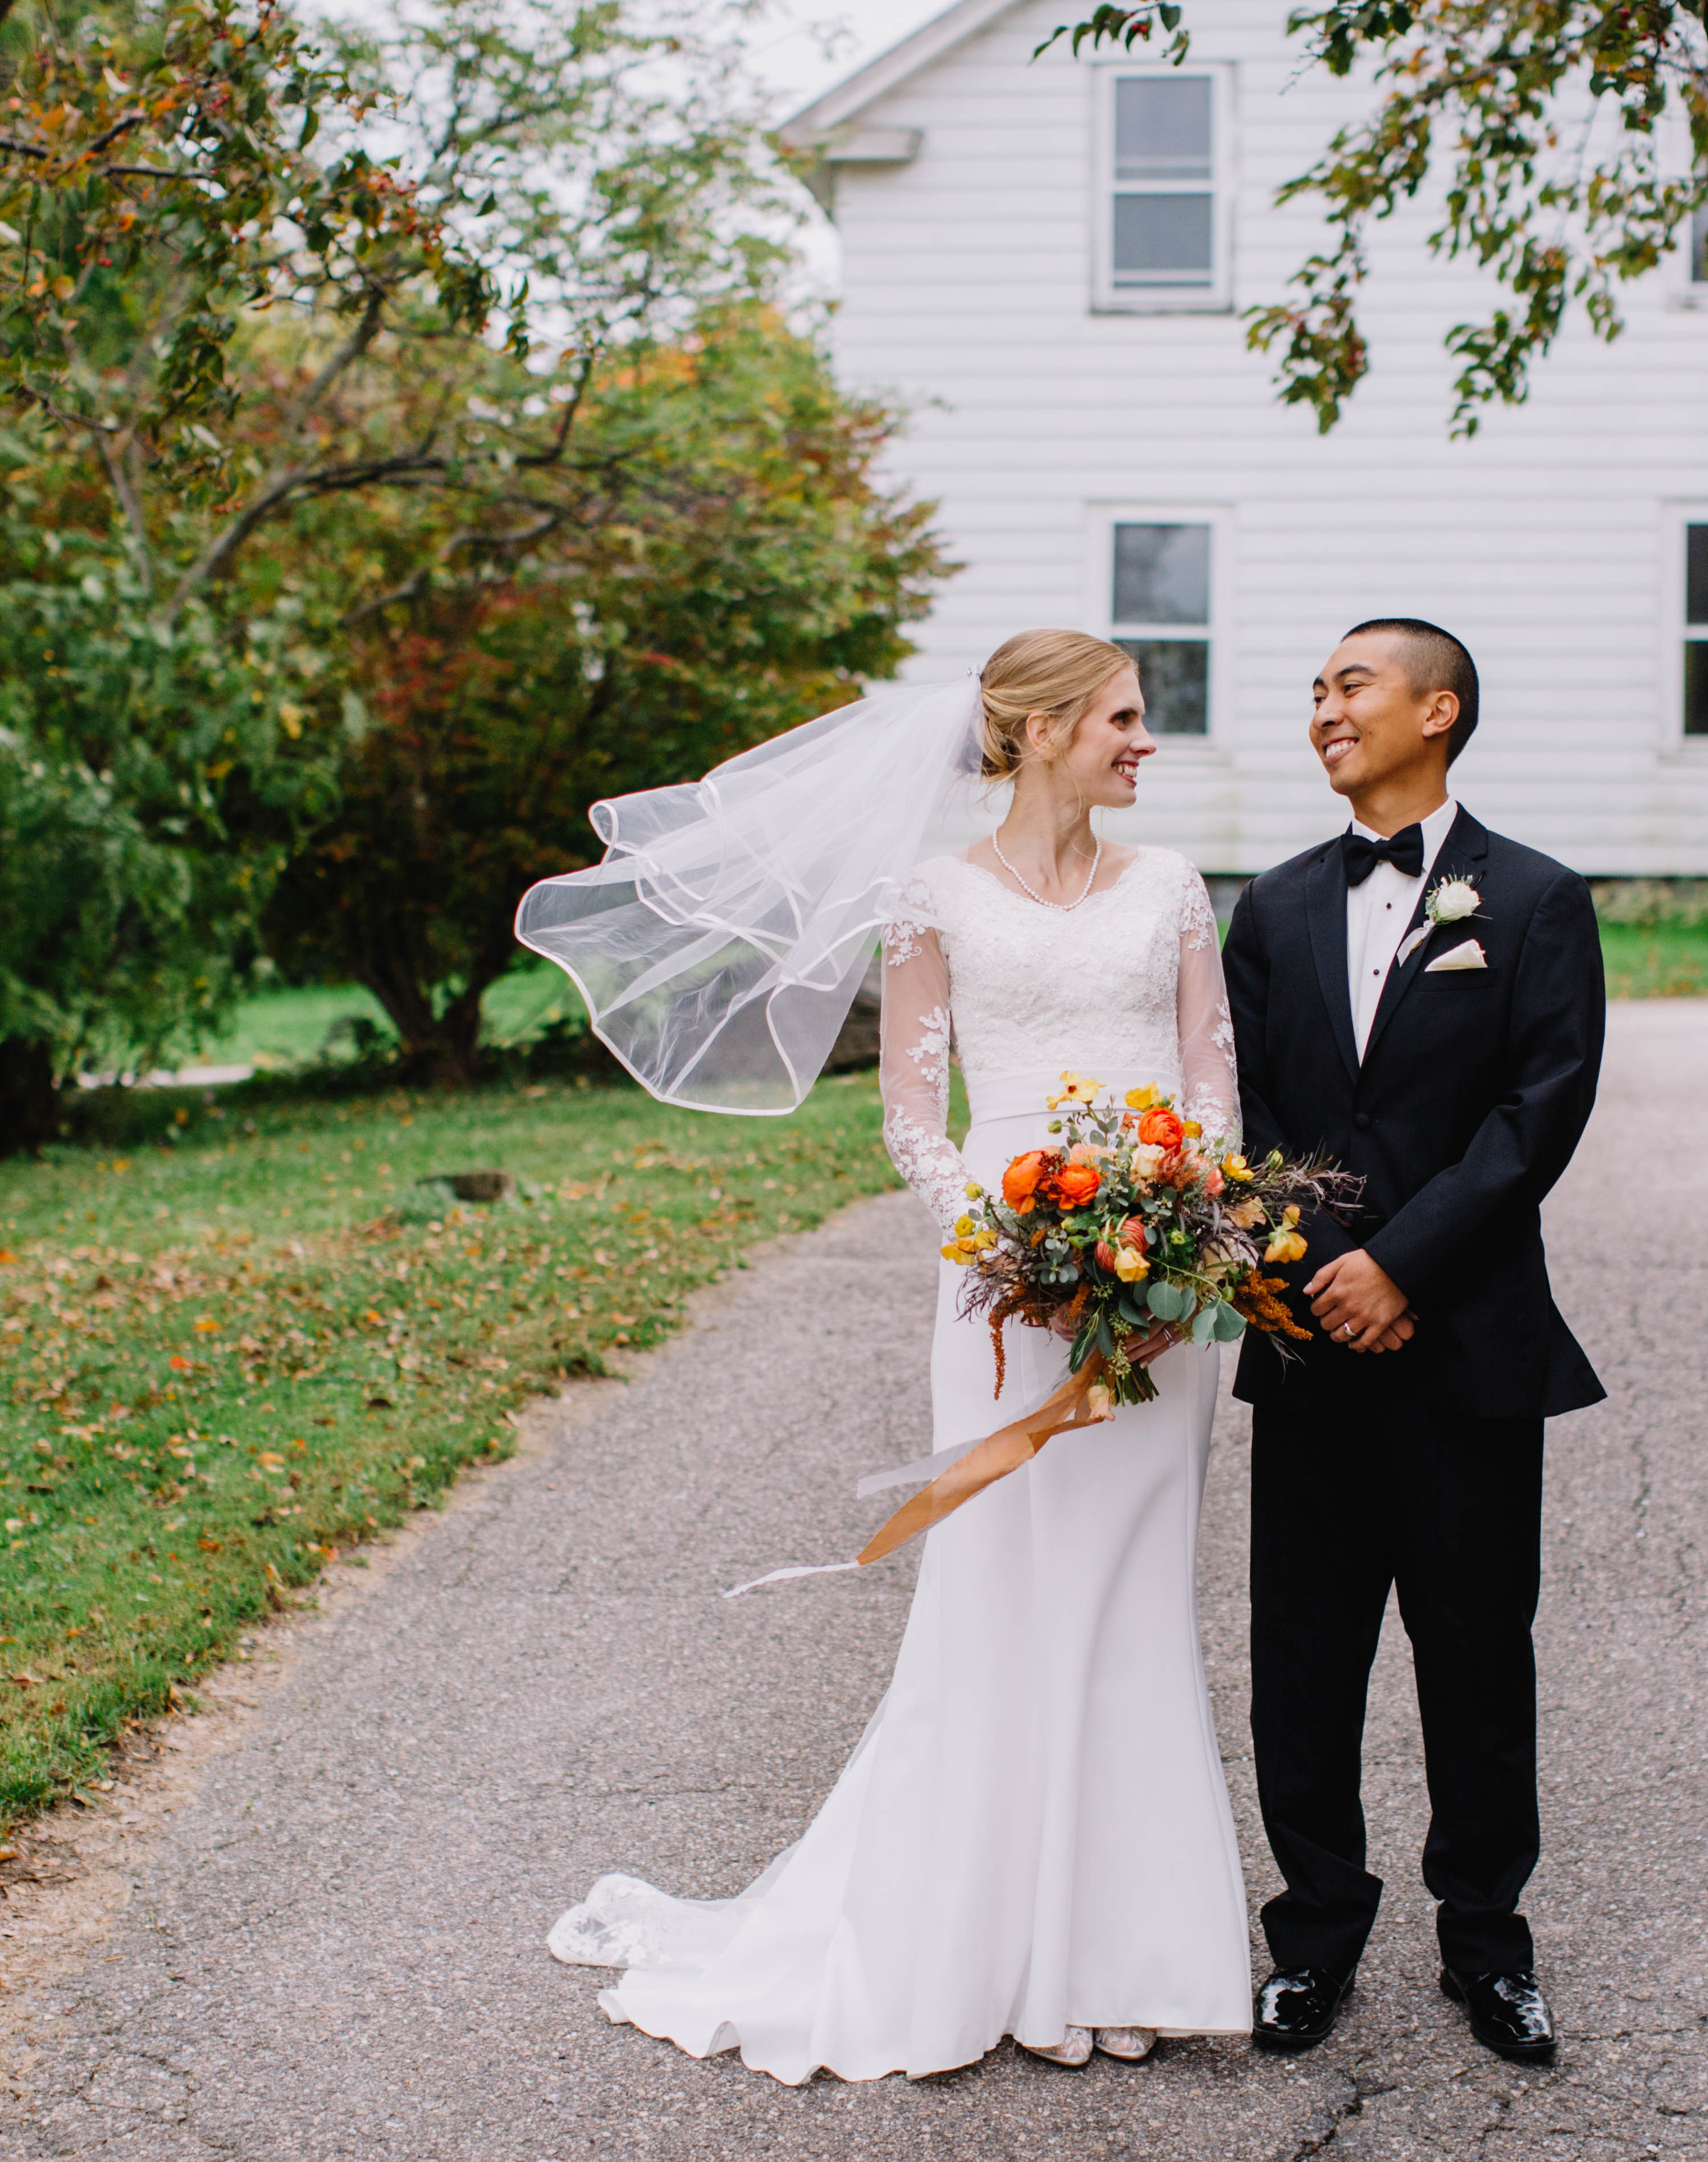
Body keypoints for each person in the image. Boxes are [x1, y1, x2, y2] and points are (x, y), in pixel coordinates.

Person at [531, 630, 1251, 2082]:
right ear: (1044, 730)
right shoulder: (927, 900)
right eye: (1120, 716)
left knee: (1130, 1601)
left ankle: (1120, 1954)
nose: (1141, 741)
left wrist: (1183, 1245)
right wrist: (1011, 1252)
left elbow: (1210, 1080)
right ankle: (992, 1948)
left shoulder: (1174, 889)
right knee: (1004, 1593)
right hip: (999, 1295)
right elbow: (915, 1117)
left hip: (1162, 1304)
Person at [1219, 618, 1607, 2065]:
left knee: (1474, 1652)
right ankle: (1313, 1934)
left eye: (1352, 684)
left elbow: (1539, 1111)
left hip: (1468, 1344)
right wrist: (1325, 1269)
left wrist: (1405, 1264)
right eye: (1314, 688)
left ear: (1437, 711)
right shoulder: (1271, 906)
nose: (1323, 707)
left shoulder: (1541, 899)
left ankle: (1487, 1945)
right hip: (1313, 1343)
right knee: (1301, 1658)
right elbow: (1246, 1110)